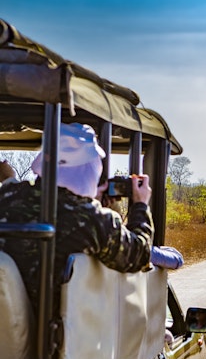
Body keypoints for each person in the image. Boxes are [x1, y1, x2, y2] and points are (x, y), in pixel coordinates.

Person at [0, 123, 153, 313]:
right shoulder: (94, 220)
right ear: (89, 167)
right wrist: (140, 205)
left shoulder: (6, 197)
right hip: (57, 338)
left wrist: (91, 199)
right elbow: (139, 255)